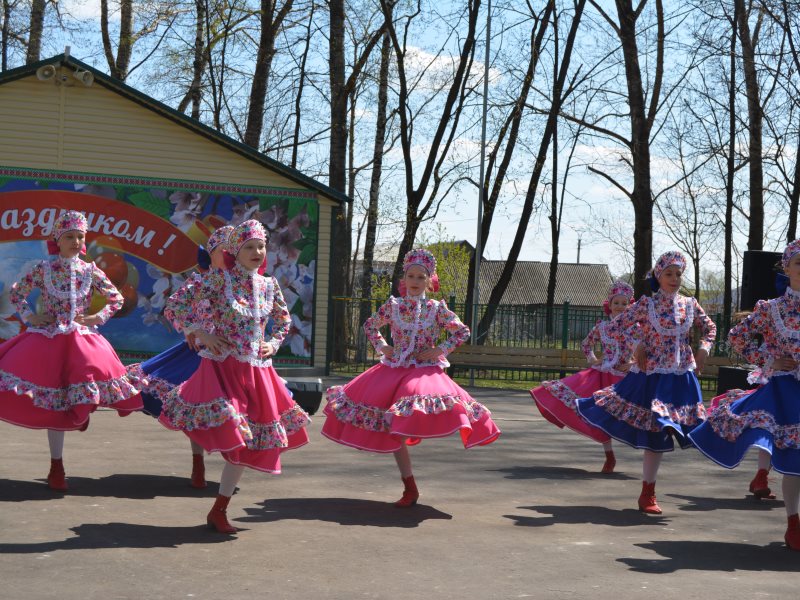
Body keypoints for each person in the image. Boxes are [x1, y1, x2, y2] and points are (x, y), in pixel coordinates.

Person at [158, 219, 310, 534]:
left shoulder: (269, 284)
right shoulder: (217, 280)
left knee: (247, 444)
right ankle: (205, 480)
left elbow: (283, 320)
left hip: (257, 372)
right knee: (235, 433)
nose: (257, 251)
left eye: (261, 246)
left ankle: (219, 509)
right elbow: (174, 307)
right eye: (249, 247)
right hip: (222, 369)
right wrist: (199, 332)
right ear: (235, 252)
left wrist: (274, 342)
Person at [322, 248, 501, 507]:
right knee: (392, 427)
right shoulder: (394, 306)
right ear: (403, 280)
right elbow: (370, 325)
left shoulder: (436, 309)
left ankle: (412, 462)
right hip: (393, 370)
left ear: (429, 281)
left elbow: (461, 332)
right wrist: (383, 347)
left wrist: (440, 350)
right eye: (411, 276)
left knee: (413, 408)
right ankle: (410, 487)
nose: (415, 282)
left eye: (420, 277)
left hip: (422, 370)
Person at [0, 210, 144, 490]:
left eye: (80, 237)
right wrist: (30, 317)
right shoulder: (44, 269)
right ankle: (57, 465)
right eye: (70, 237)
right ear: (58, 240)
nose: (76, 242)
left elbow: (116, 298)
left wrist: (95, 318)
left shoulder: (91, 270)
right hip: (48, 341)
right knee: (55, 402)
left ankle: (79, 414)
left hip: (81, 342)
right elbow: (17, 293)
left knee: (85, 386)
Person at [575, 251, 716, 514]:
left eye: (678, 274)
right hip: (652, 377)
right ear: (658, 276)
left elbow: (710, 328)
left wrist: (704, 348)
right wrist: (637, 344)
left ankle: (649, 490)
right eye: (668, 274)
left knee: (680, 429)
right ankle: (647, 493)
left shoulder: (690, 304)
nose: (674, 279)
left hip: (681, 376)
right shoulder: (646, 304)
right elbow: (618, 326)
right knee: (656, 432)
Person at [689, 239, 800, 550]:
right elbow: (736, 338)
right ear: (787, 268)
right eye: (799, 263)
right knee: (794, 462)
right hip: (785, 390)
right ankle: (793, 522)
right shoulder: (772, 308)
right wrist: (770, 361)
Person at [127, 225, 233, 489]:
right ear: (212, 253)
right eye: (225, 250)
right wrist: (194, 330)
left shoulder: (246, 282)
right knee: (195, 410)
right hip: (198, 355)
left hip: (236, 359)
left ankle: (233, 466)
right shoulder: (202, 281)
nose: (232, 254)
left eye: (236, 249)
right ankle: (199, 463)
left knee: (235, 412)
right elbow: (174, 307)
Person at [531, 281, 635, 473]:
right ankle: (609, 456)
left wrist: (632, 363)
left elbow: (646, 351)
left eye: (624, 303)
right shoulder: (602, 327)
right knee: (599, 416)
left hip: (625, 378)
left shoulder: (634, 328)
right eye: (616, 303)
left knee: (633, 416)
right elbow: (587, 344)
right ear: (609, 305)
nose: (620, 307)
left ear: (630, 306)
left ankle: (649, 452)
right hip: (601, 375)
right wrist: (593, 359)